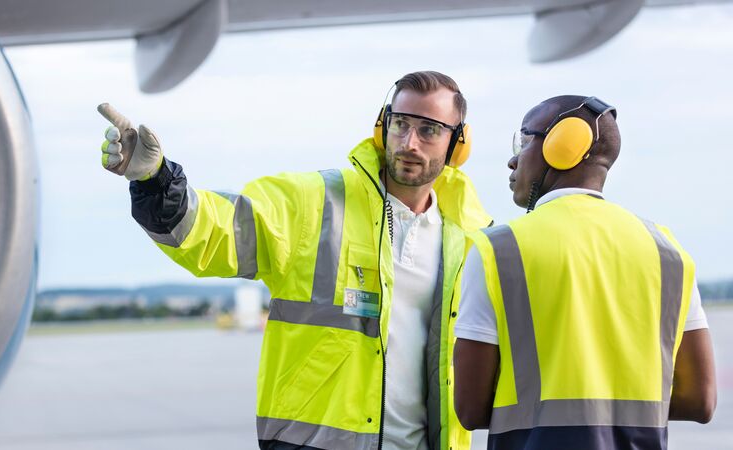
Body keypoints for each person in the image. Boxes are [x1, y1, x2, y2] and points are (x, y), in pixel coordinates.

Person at [98, 71, 491, 450]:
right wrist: (155, 180)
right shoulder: (316, 204)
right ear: (382, 126)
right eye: (401, 124)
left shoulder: (472, 240)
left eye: (429, 130)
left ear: (457, 144)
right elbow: (217, 230)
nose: (409, 142)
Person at [452, 95, 717, 450]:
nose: (513, 160)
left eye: (524, 141)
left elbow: (470, 409)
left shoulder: (498, 250)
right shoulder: (667, 251)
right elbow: (700, 400)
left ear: (565, 145)